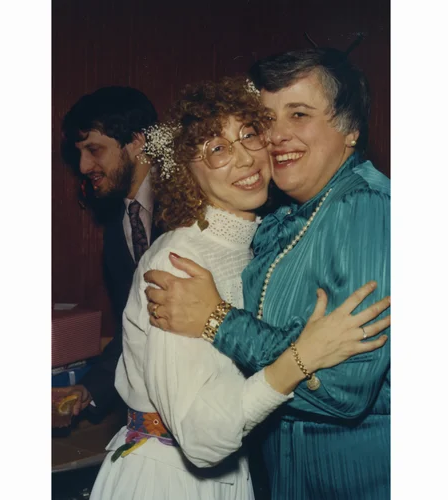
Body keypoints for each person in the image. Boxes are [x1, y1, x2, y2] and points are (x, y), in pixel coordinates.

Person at [89, 76, 390, 500]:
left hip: (233, 475)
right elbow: (200, 438)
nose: (245, 158)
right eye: (217, 149)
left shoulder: (259, 244)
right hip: (168, 478)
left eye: (249, 135)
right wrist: (302, 358)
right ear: (186, 169)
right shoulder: (178, 261)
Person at [56, 86, 160, 419]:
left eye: (94, 150)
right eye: (80, 153)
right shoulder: (117, 226)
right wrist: (89, 389)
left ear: (137, 141)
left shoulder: (194, 205)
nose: (84, 166)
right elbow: (134, 328)